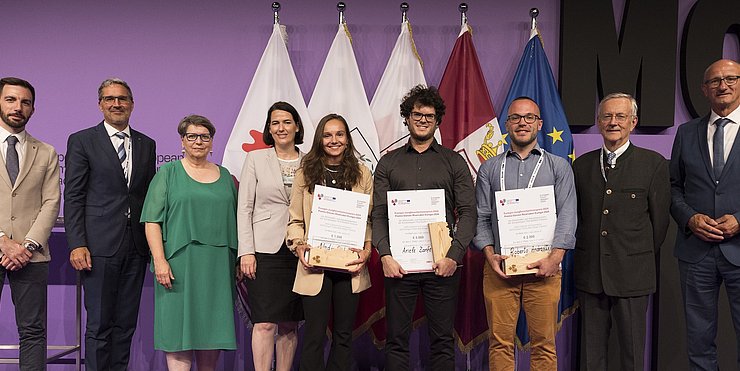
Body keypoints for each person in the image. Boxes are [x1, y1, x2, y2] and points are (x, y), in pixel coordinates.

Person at [372, 85, 476, 370]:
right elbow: (378, 214)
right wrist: (385, 255)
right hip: (399, 266)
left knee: (442, 341)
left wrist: (453, 257)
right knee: (396, 339)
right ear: (407, 117)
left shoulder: (454, 162)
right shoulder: (388, 163)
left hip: (442, 265)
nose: (422, 120)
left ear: (437, 120)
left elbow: (468, 213)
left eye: (429, 116)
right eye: (417, 114)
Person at [472, 96, 576, 370]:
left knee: (543, 343)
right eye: (516, 117)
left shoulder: (559, 167)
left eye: (529, 117)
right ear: (507, 124)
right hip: (500, 269)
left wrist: (555, 258)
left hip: (545, 269)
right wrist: (490, 255)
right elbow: (481, 217)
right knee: (500, 342)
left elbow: (567, 214)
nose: (522, 123)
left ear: (539, 124)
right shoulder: (489, 168)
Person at [573, 93, 670, 370]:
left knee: (631, 354)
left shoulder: (653, 164)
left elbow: (659, 223)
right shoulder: (582, 165)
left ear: (633, 122)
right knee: (593, 355)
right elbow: (578, 218)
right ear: (598, 121)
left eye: (620, 116)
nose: (613, 122)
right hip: (590, 274)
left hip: (633, 275)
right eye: (607, 116)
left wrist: (635, 257)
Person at [64, 78, 156, 371]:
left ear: (132, 103)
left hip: (136, 247)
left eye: (122, 99)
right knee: (100, 324)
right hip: (98, 247)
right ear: (100, 104)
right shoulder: (82, 140)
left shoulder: (146, 144)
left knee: (126, 323)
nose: (116, 104)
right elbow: (74, 196)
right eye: (109, 99)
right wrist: (77, 243)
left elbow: (146, 197)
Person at [141, 115, 237, 370]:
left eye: (204, 136)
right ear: (182, 141)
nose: (198, 141)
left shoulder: (226, 176)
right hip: (177, 267)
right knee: (177, 335)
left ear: (212, 143)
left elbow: (237, 221)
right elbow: (152, 221)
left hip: (217, 268)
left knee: (211, 334)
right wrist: (160, 261)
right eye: (192, 136)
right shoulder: (168, 173)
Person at [285, 113, 372, 370]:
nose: (334, 140)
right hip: (315, 265)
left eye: (339, 134)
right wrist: (299, 246)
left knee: (344, 336)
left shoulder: (363, 173)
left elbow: (368, 220)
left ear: (347, 139)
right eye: (328, 135)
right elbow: (295, 220)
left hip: (350, 265)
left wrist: (366, 251)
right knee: (314, 335)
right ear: (320, 139)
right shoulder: (305, 172)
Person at [670, 58, 740, 370]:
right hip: (696, 252)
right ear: (704, 89)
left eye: (730, 79)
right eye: (715, 81)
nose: (722, 85)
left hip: (739, 249)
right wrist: (690, 218)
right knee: (699, 341)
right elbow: (673, 187)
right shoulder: (686, 133)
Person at [237, 102, 304, 371]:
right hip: (263, 251)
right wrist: (246, 251)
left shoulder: (310, 160)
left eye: (287, 122)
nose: (281, 128)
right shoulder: (255, 159)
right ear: (269, 128)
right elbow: (244, 208)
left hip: (300, 251)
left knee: (289, 323)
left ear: (297, 126)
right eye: (275, 123)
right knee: (264, 322)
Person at [0, 77, 60, 370]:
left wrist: (25, 245)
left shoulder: (46, 152)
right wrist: (2, 242)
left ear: (33, 109)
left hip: (31, 255)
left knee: (33, 332)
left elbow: (51, 202)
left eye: (25, 102)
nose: (18, 107)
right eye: (11, 99)